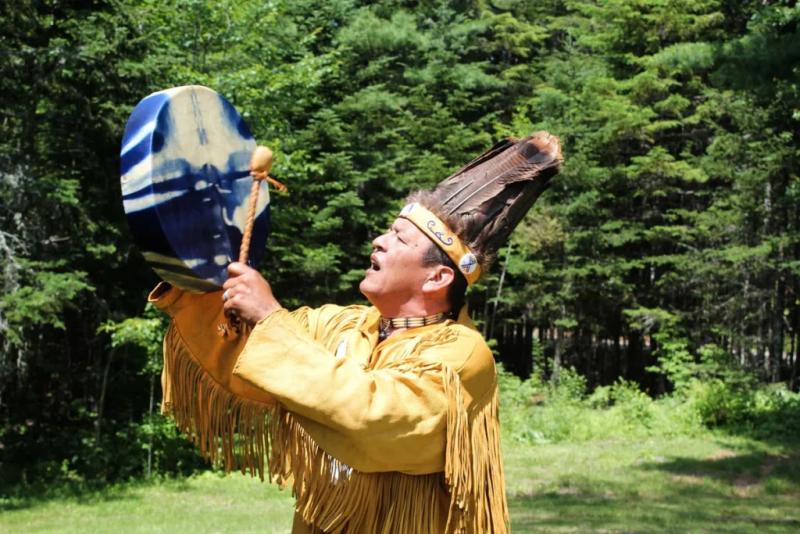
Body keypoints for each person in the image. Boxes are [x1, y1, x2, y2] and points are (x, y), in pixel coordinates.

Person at [149, 133, 562, 533]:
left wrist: (270, 316)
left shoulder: (462, 355)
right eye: (387, 230)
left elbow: (371, 418)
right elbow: (245, 352)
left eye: (398, 237)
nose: (379, 241)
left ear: (437, 277)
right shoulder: (343, 325)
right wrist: (190, 265)